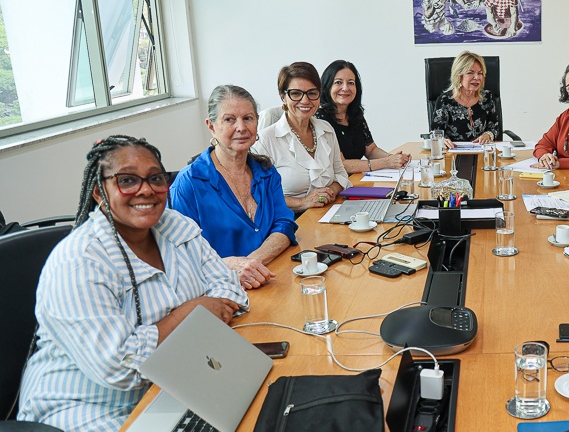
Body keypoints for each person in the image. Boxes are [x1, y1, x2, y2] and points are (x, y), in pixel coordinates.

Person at [18, 135, 247, 431]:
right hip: (88, 406)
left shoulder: (174, 224)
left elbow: (230, 289)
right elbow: (121, 368)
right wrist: (191, 313)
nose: (146, 190)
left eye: (155, 178)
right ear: (100, 193)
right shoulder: (79, 262)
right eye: (127, 180)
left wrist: (172, 333)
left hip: (175, 383)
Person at [171, 85, 296, 290]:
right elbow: (182, 256)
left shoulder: (266, 172)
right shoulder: (189, 183)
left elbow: (284, 224)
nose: (241, 127)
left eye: (248, 118)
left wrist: (252, 263)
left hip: (270, 279)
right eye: (229, 119)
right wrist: (231, 267)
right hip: (218, 290)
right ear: (211, 126)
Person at [252, 62, 351, 211]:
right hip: (290, 222)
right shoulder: (264, 141)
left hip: (328, 211)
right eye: (296, 93)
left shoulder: (326, 129)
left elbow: (340, 172)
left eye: (312, 93)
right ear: (283, 96)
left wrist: (330, 192)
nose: (305, 101)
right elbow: (258, 196)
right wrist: (303, 201)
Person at [315, 60, 411, 173]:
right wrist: (387, 162)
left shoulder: (354, 114)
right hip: (333, 185)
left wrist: (394, 158)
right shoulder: (319, 118)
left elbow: (371, 150)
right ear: (327, 86)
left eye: (351, 83)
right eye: (338, 82)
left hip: (356, 180)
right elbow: (341, 164)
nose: (345, 88)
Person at [431, 50, 501, 146]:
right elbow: (435, 133)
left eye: (480, 73)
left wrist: (488, 135)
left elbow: (494, 127)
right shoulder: (444, 101)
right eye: (470, 73)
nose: (477, 77)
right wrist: (442, 140)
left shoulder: (487, 97)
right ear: (459, 76)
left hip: (483, 152)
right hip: (453, 154)